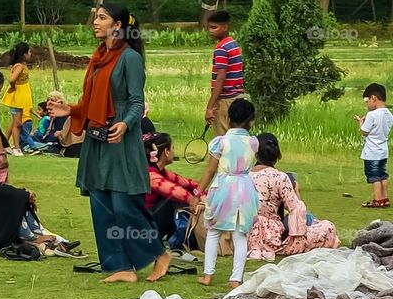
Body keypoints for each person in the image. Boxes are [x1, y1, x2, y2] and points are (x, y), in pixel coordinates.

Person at [49, 4, 171, 284]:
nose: (95, 21)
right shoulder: (99, 57)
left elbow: (135, 101)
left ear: (118, 25)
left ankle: (158, 253)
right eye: (96, 16)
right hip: (97, 139)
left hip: (120, 139)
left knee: (124, 203)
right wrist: (71, 110)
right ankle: (120, 267)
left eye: (102, 17)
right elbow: (93, 102)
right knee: (100, 203)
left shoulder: (129, 58)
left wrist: (126, 123)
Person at [196, 98, 259, 288]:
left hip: (224, 187)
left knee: (214, 231)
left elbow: (210, 170)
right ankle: (235, 278)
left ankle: (208, 275)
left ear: (228, 117)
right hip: (246, 189)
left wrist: (198, 191)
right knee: (240, 234)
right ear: (251, 121)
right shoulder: (254, 143)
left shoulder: (220, 142)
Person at [246, 133, 339, 260]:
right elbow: (296, 209)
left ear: (255, 153)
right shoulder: (280, 177)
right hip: (272, 235)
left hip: (247, 232)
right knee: (328, 227)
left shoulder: (244, 176)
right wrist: (296, 191)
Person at [143, 132, 203, 252]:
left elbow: (189, 184)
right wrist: (199, 200)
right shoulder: (149, 174)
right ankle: (180, 241)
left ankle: (180, 240)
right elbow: (178, 193)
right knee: (172, 201)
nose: (174, 151)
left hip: (149, 222)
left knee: (178, 199)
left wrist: (203, 194)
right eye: (173, 148)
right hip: (140, 228)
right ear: (166, 152)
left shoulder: (161, 172)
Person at [204, 10, 244, 136]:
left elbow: (220, 79)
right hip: (238, 98)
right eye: (209, 27)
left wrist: (210, 107)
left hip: (225, 101)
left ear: (225, 27)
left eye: (214, 27)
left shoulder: (221, 48)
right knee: (236, 138)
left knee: (222, 142)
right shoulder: (233, 44)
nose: (211, 31)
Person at [356, 83, 393, 209]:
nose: (367, 104)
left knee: (374, 176)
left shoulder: (372, 115)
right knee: (383, 175)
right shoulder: (389, 114)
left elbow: (364, 131)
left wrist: (361, 122)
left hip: (372, 152)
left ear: (373, 98)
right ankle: (385, 199)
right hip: (383, 150)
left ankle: (377, 200)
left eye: (366, 101)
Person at [1, 42, 34, 156]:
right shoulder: (19, 66)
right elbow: (12, 79)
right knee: (17, 123)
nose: (31, 54)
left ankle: (4, 143)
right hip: (17, 97)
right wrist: (14, 88)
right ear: (24, 54)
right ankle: (17, 147)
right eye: (29, 52)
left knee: (14, 122)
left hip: (21, 96)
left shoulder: (23, 66)